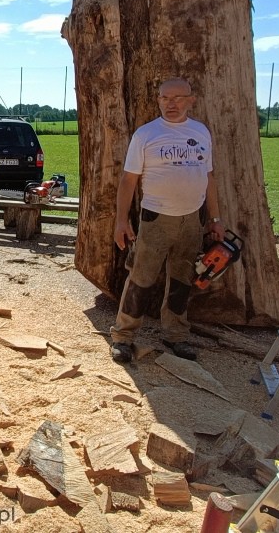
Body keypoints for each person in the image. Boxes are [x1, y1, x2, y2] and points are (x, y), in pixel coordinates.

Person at [110, 77, 225, 363]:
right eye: (164, 98)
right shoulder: (146, 134)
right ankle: (123, 337)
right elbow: (128, 180)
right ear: (158, 100)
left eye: (177, 98)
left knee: (181, 281)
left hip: (191, 220)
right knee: (141, 279)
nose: (170, 104)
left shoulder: (201, 132)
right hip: (156, 219)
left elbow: (209, 177)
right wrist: (121, 221)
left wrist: (215, 218)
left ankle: (176, 336)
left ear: (191, 100)